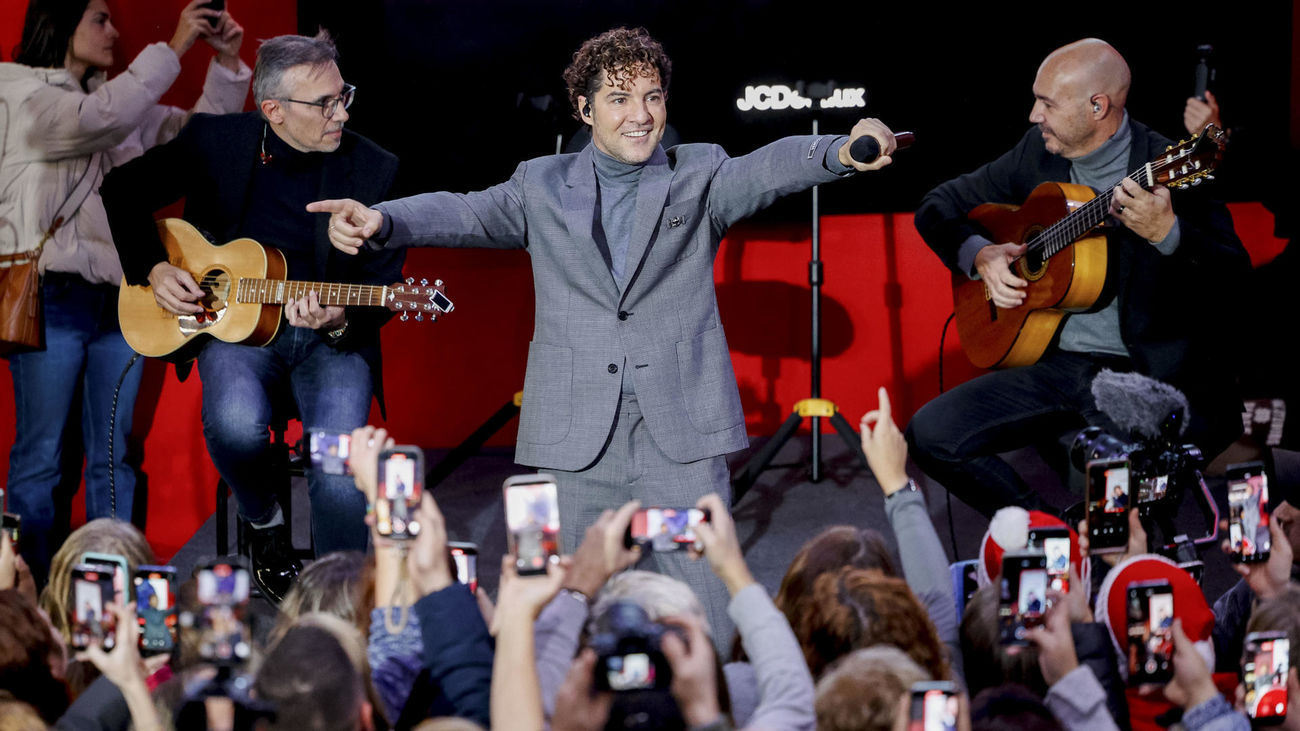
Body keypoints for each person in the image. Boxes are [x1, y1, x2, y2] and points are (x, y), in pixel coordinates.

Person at [309, 25, 899, 642]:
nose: (641, 115)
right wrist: (384, 220)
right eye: (620, 99)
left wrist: (839, 150)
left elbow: (771, 166)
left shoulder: (701, 173)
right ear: (586, 110)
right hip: (575, 431)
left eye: (652, 96)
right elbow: (467, 211)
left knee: (709, 612)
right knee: (570, 614)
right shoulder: (539, 183)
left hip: (681, 431)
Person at [100, 31, 404, 602]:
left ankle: (343, 604)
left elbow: (386, 287)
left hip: (330, 343)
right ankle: (265, 523)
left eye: (344, 95)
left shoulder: (372, 169)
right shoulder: (219, 143)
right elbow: (121, 188)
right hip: (238, 331)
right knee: (235, 423)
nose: (341, 112)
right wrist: (153, 269)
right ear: (274, 111)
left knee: (338, 468)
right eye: (324, 103)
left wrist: (338, 317)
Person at [908, 38, 1248, 517]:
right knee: (931, 434)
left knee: (1112, 501)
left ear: (1097, 105)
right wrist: (980, 254)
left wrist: (1168, 233)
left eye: (1046, 103)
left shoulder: (1170, 165)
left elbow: (1235, 277)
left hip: (1144, 375)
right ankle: (1045, 531)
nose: (1032, 115)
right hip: (1057, 364)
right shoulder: (1037, 153)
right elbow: (937, 205)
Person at [0, 0, 250, 588]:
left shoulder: (120, 103)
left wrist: (227, 64)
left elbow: (197, 140)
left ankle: (115, 592)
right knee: (41, 461)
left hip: (120, 299)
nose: (113, 32)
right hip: (52, 298)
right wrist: (177, 45)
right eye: (99, 19)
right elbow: (96, 119)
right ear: (59, 25)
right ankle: (33, 599)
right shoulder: (19, 92)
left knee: (114, 456)